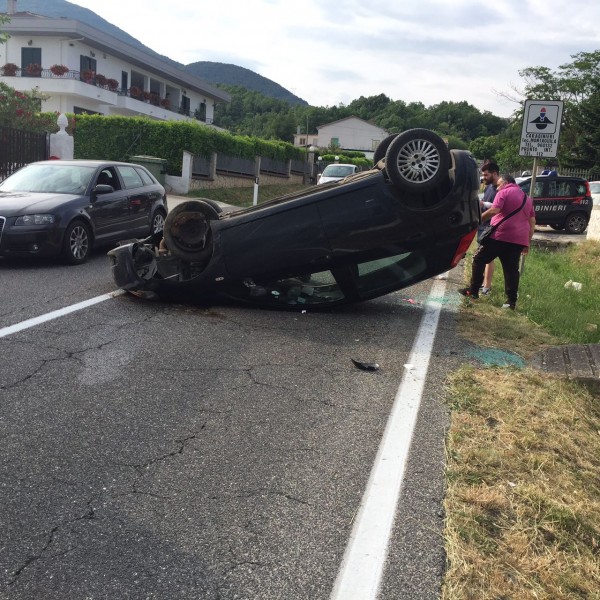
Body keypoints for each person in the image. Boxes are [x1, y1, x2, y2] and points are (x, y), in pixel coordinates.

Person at [459, 174, 536, 310]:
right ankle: (511, 302)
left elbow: (494, 210)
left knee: (478, 258)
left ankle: (473, 290)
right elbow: (532, 222)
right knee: (511, 270)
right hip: (518, 240)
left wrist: (477, 221)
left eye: (499, 185)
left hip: (500, 236)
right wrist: (527, 243)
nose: (497, 188)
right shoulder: (527, 198)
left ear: (505, 183)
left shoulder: (504, 192)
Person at [478, 162, 500, 295]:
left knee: (488, 257)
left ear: (494, 173)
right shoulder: (488, 187)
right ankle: (482, 283)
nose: (484, 177)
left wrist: (484, 204)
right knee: (481, 256)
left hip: (491, 227)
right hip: (483, 226)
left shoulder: (500, 189)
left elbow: (497, 207)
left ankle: (487, 287)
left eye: (486, 175)